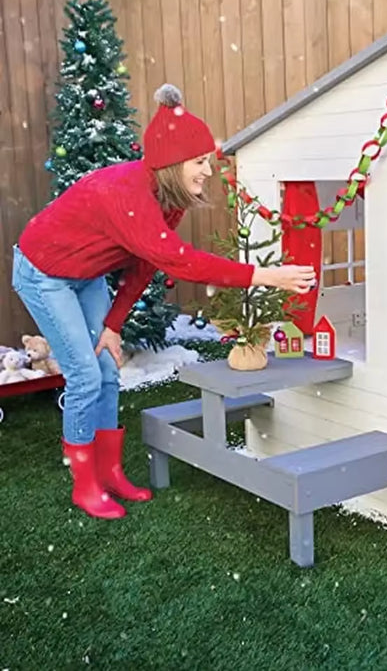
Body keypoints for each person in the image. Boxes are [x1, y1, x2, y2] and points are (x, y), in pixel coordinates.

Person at [11, 84, 316, 521]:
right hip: (45, 274)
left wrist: (114, 323)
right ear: (172, 164)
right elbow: (180, 261)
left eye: (207, 161)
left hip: (87, 275)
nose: (207, 170)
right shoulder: (128, 196)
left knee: (106, 371)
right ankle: (85, 485)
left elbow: (144, 265)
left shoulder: (169, 198)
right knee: (84, 377)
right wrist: (265, 275)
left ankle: (110, 470)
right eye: (199, 162)